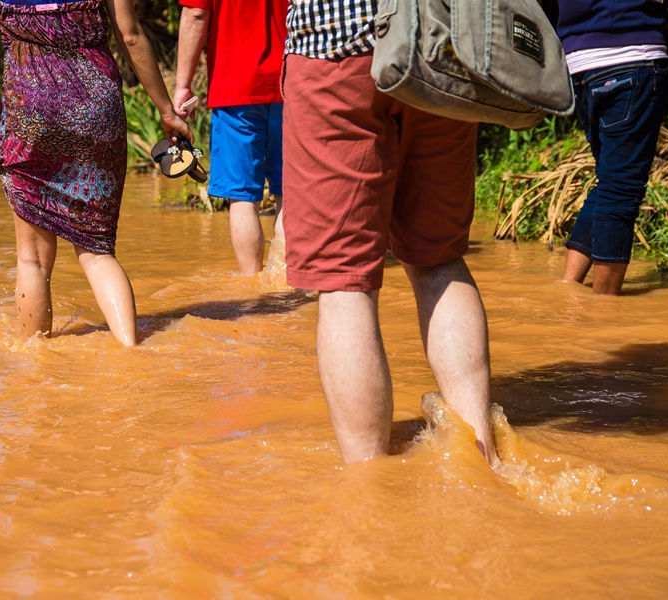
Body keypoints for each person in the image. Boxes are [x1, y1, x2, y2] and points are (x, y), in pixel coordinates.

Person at [283, 2, 497, 464]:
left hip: (335, 49)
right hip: (443, 49)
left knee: (344, 282)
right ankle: (484, 456)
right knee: (438, 258)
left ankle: (369, 484)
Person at [0, 0, 191, 345]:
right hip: (97, 106)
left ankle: (36, 366)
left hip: (30, 112)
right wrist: (166, 110)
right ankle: (132, 352)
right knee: (97, 250)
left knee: (32, 258)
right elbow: (130, 36)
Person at [558, 1, 668, 295]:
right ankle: (604, 310)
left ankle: (567, 292)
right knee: (620, 190)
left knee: (609, 184)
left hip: (579, 65)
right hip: (632, 54)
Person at [174, 0, 287, 276]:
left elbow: (196, 14)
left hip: (235, 86)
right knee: (291, 192)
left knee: (243, 198)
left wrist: (182, 85)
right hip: (292, 80)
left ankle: (253, 290)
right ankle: (289, 285)